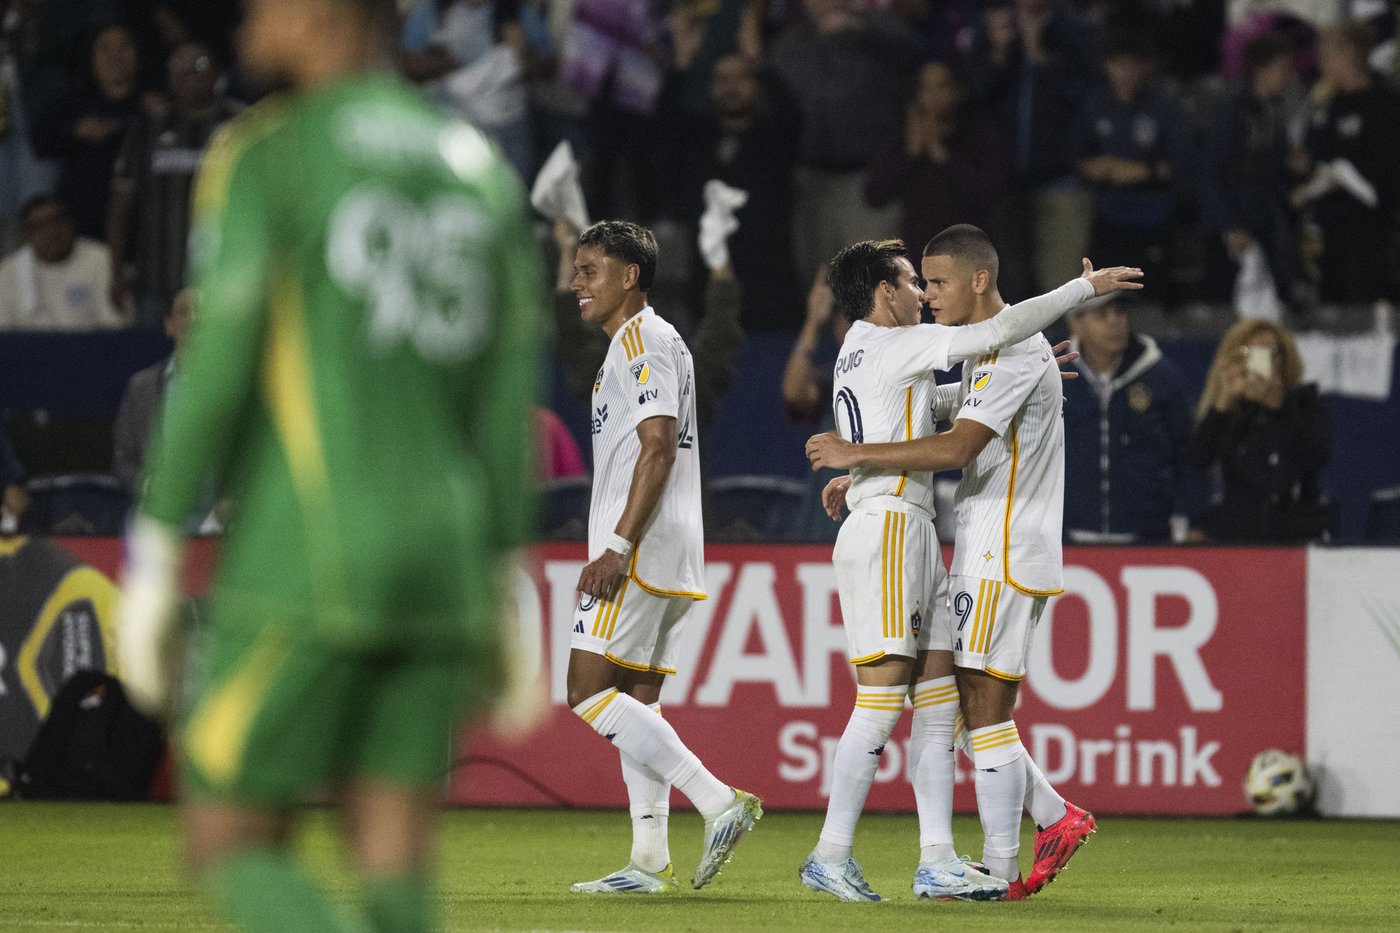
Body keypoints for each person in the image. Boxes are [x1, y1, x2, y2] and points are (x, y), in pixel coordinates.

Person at [114, 2, 544, 932]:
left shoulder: (272, 151)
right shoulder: (475, 170)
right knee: (392, 846)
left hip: (313, 546)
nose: (245, 20)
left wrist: (153, 549)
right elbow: (504, 400)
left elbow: (217, 364)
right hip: (446, 560)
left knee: (227, 836)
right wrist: (510, 579)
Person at [797, 230, 1139, 902]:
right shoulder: (907, 341)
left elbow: (939, 406)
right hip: (914, 530)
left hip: (963, 538)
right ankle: (844, 852)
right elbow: (985, 373)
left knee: (945, 703)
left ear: (976, 279)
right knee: (915, 702)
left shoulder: (882, 349)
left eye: (936, 282)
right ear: (883, 292)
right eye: (912, 280)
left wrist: (861, 462)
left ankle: (951, 859)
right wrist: (1079, 292)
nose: (924, 294)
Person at [563, 219, 761, 895]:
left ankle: (718, 800)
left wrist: (616, 545)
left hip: (639, 544)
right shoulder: (647, 339)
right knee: (635, 700)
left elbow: (657, 440)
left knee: (587, 691)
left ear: (629, 276)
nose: (575, 284)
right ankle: (648, 858)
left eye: (589, 270)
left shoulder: (642, 337)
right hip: (670, 541)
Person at [107, 40, 239, 327]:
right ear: (169, 79)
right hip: (157, 283)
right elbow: (121, 206)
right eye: (180, 68)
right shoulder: (147, 129)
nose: (190, 73)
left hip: (229, 283)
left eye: (200, 65)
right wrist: (116, 272)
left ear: (217, 73)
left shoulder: (243, 124)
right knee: (154, 365)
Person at [1062, 295, 1196, 543]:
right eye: (1101, 315)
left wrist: (1190, 515)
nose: (1115, 321)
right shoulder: (1053, 377)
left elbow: (1188, 453)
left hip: (1147, 534)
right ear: (1076, 324)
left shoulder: (1161, 376)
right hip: (1066, 535)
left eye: (1120, 312)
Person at [1189, 319, 1332, 542]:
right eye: (1253, 353)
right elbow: (1199, 459)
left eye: (1270, 353)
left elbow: (1317, 454)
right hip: (1240, 538)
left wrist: (1276, 407)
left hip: (1294, 538)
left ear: (1284, 359)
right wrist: (1224, 401)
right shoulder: (1232, 413)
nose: (1263, 362)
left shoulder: (1304, 405)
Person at [1291, 20, 1400, 306]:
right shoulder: (1330, 106)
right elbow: (1317, 157)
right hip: (1330, 233)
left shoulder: (1383, 105)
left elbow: (1387, 174)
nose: (1322, 65)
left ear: (1349, 54)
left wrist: (1346, 176)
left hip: (1371, 237)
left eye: (1326, 57)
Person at [112, 288, 193, 495]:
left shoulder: (236, 390)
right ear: (169, 325)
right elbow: (123, 462)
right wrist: (150, 487)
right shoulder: (141, 387)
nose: (194, 320)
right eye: (185, 312)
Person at [0, 195, 124, 329]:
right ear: (27, 236)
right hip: (28, 349)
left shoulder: (101, 259)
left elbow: (114, 325)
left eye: (57, 221)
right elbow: (5, 333)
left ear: (71, 223)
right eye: (40, 227)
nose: (51, 232)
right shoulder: (10, 270)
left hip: (91, 347)